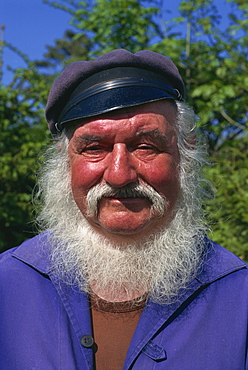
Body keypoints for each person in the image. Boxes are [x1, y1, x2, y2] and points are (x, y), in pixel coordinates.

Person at [0, 49, 247, 370]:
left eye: (146, 146)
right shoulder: (7, 284)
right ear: (64, 163)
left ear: (185, 154)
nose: (119, 174)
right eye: (94, 148)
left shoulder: (239, 295)